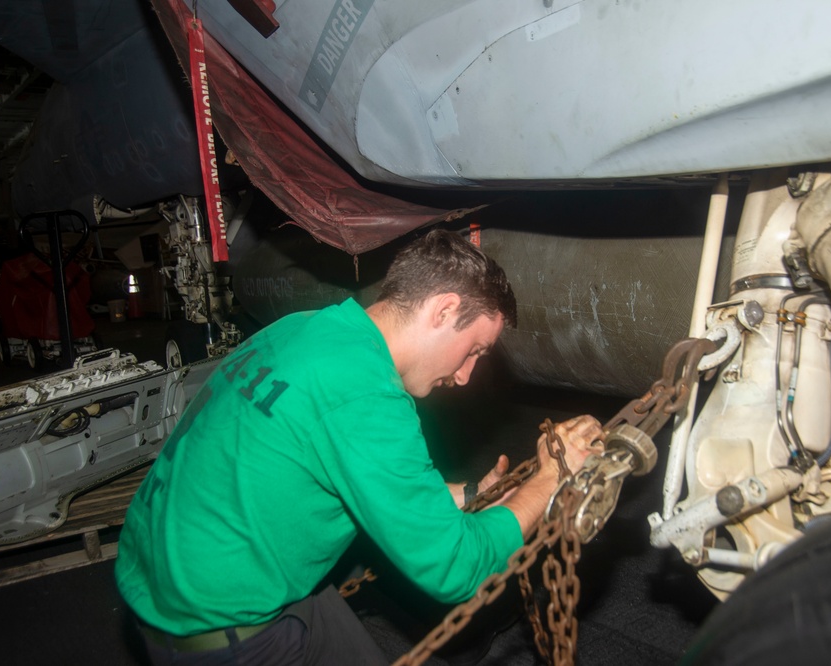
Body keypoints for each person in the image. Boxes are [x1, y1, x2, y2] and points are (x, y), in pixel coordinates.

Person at [116, 229, 604, 665]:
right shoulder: (366, 395)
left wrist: (472, 491)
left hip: (170, 571)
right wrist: (552, 478)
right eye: (473, 350)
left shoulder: (309, 330)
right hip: (220, 625)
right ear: (444, 309)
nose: (464, 376)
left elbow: (347, 468)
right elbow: (455, 567)